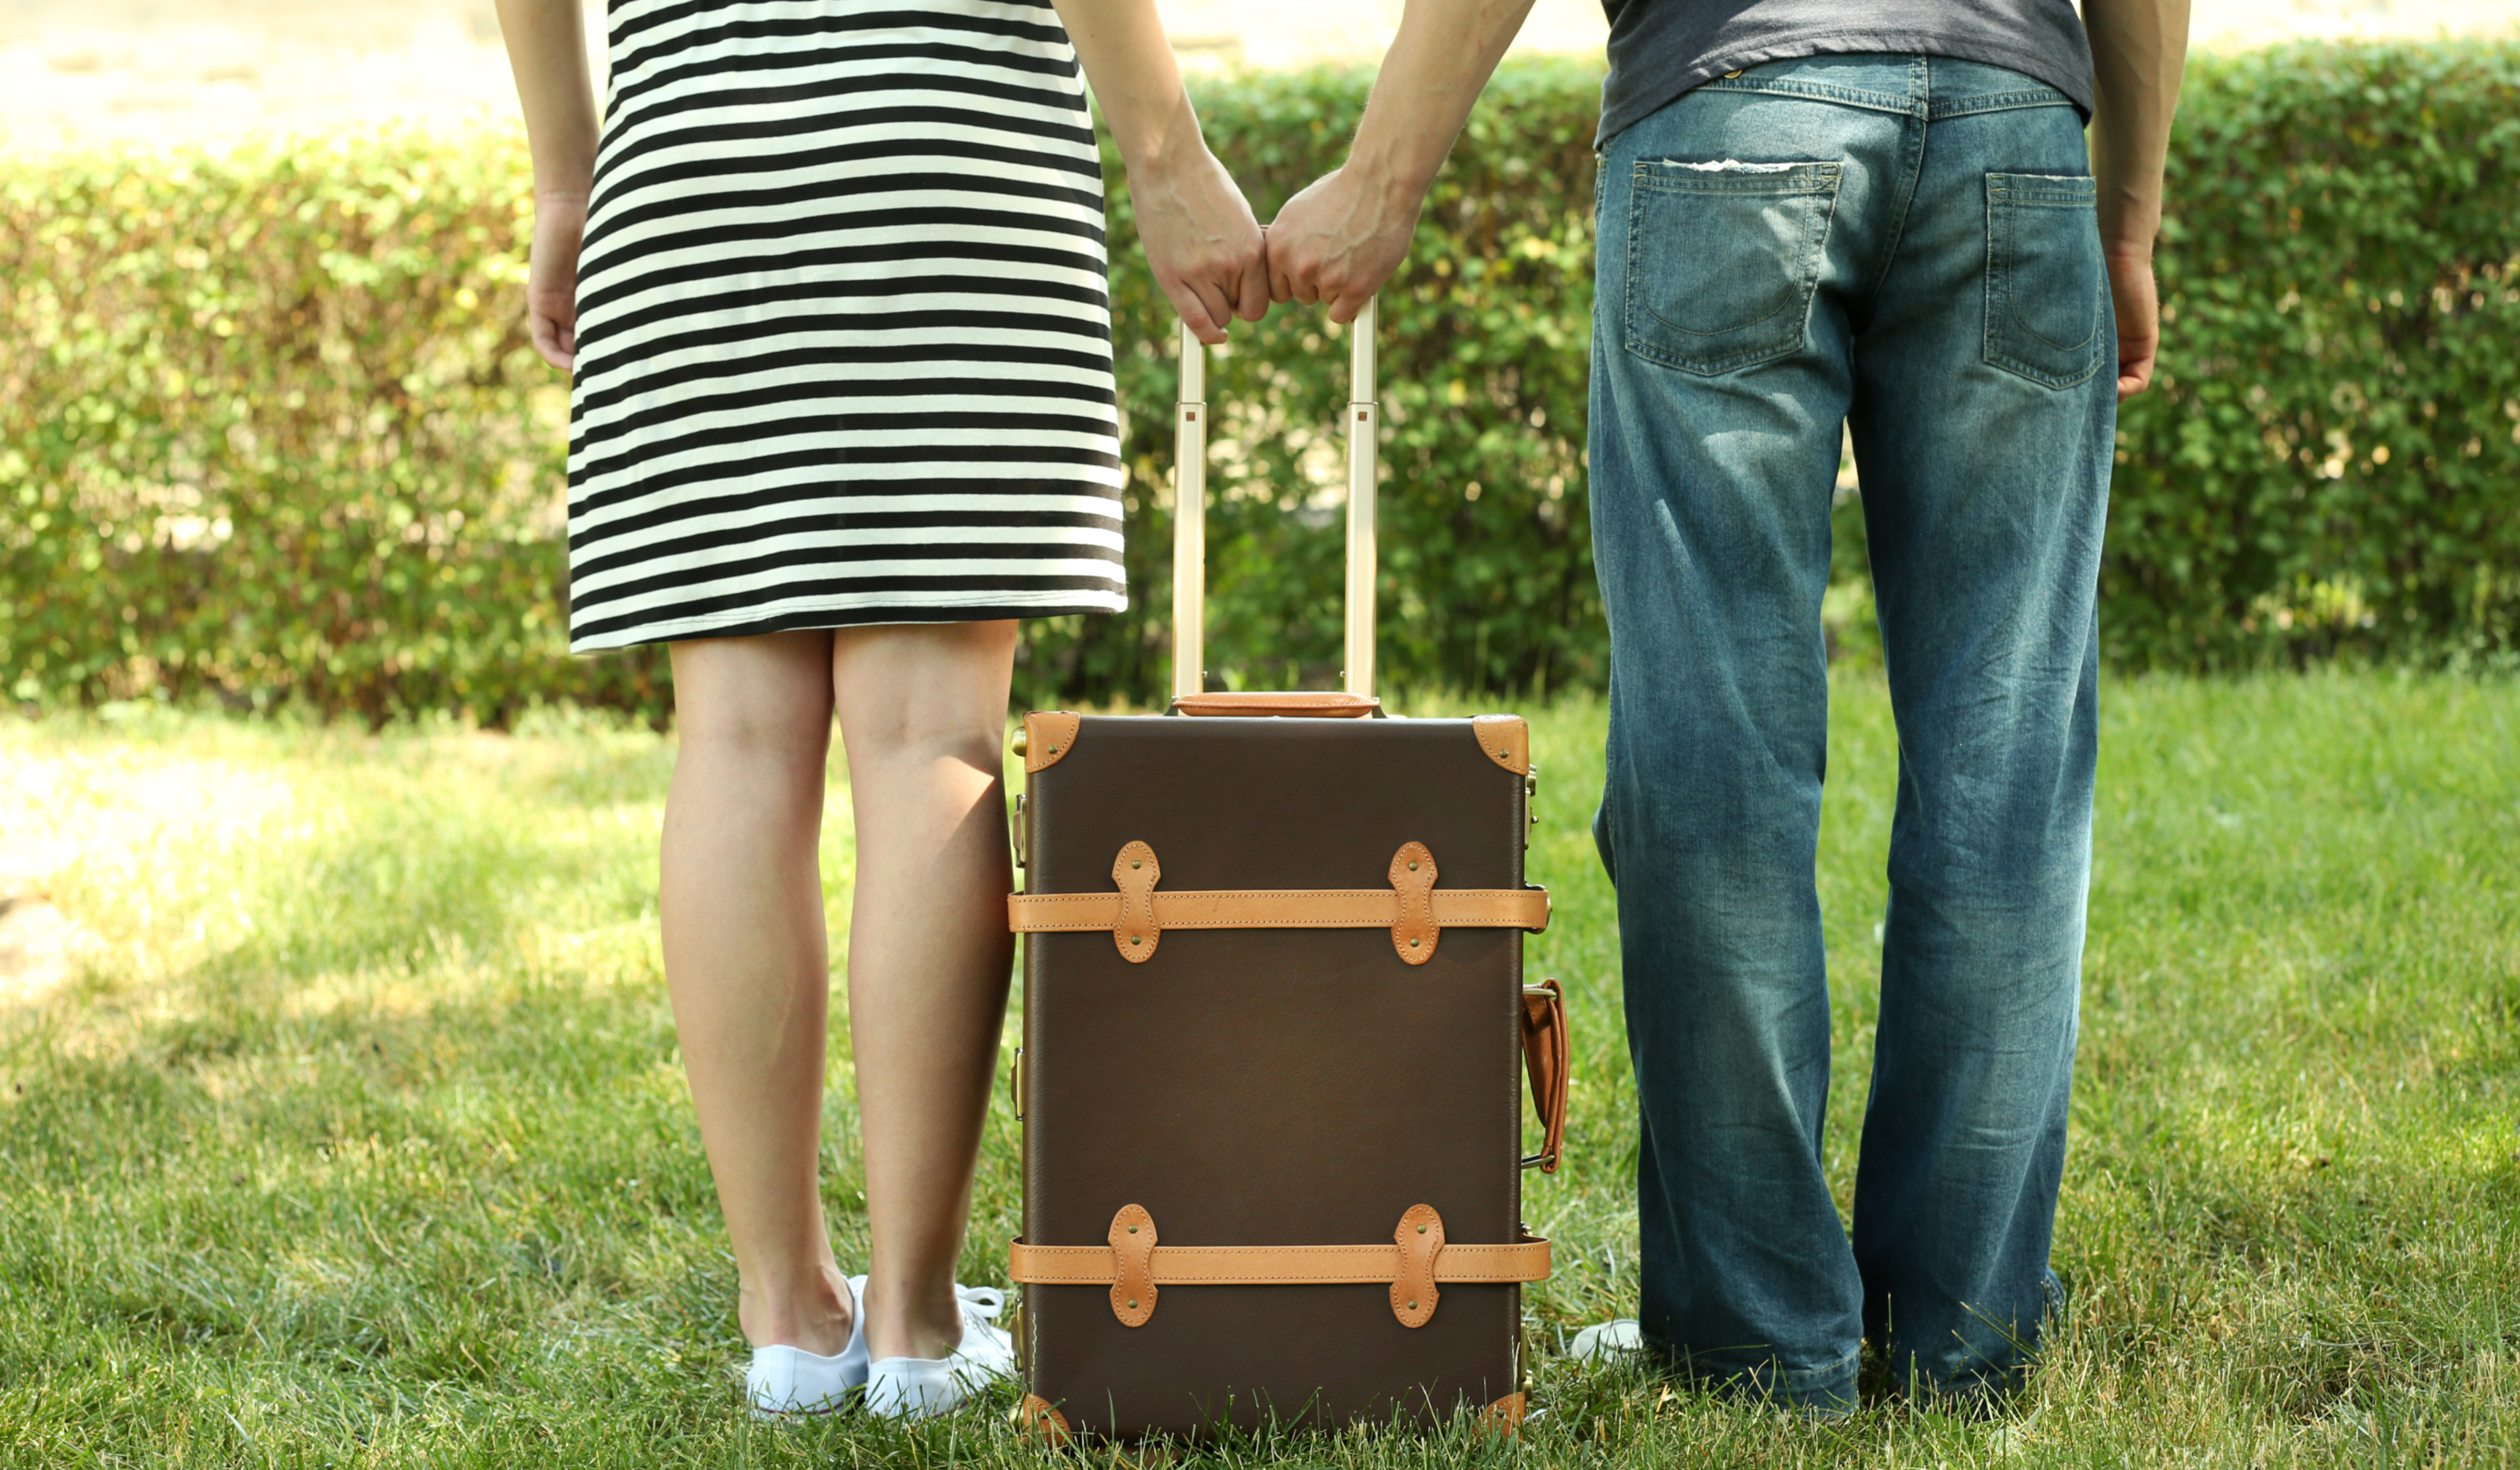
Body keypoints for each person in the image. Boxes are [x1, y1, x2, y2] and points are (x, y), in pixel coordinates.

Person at [1270, 0, 2188, 1409]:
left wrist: (1382, 182)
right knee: (2007, 757)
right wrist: (2125, 219)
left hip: (1733, 115)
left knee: (1713, 743)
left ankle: (1759, 1340)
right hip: (2014, 130)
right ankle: (1964, 1329)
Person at [492, 0, 1268, 1420]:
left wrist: (565, 184)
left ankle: (789, 1322)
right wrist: (1165, 155)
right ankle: (914, 1321)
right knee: (928, 741)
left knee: (733, 744)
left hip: (690, 159)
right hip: (946, 144)